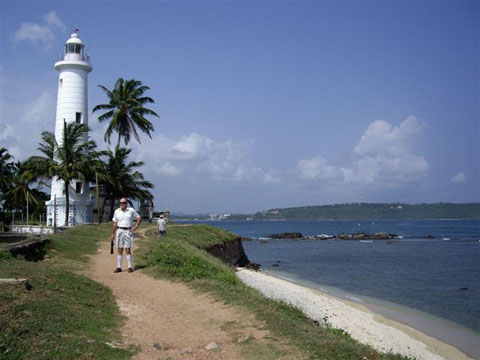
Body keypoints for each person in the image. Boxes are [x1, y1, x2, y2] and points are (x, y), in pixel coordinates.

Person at [110, 197, 142, 273]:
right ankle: (119, 267)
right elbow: (115, 223)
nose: (121, 204)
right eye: (120, 203)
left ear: (126, 204)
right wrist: (112, 233)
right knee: (119, 249)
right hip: (119, 230)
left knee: (128, 249)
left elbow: (139, 217)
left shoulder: (131, 210)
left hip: (128, 231)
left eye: (123, 203)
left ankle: (130, 267)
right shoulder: (117, 211)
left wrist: (135, 226)